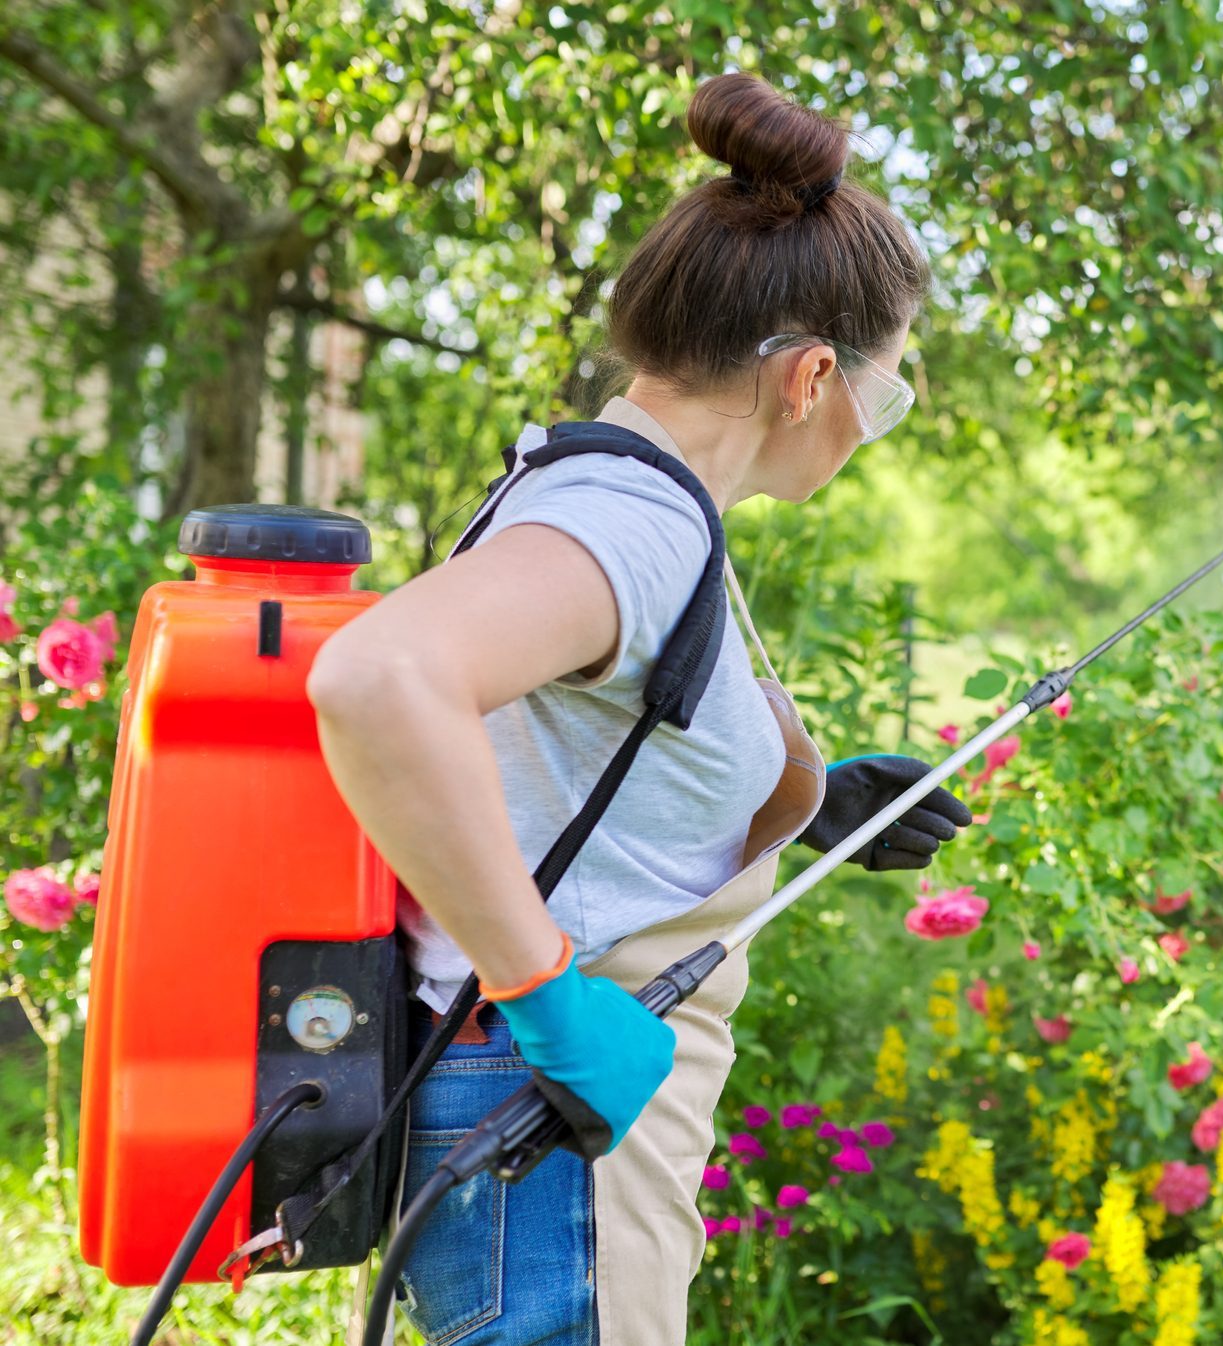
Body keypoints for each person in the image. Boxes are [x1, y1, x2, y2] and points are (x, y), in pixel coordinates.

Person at [308, 71, 970, 1346]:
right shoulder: (635, 523)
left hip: (535, 1133)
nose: (866, 428)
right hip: (545, 1134)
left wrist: (813, 807)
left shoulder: (614, 496)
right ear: (810, 376)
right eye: (881, 399)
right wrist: (548, 994)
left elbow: (558, 770)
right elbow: (381, 677)